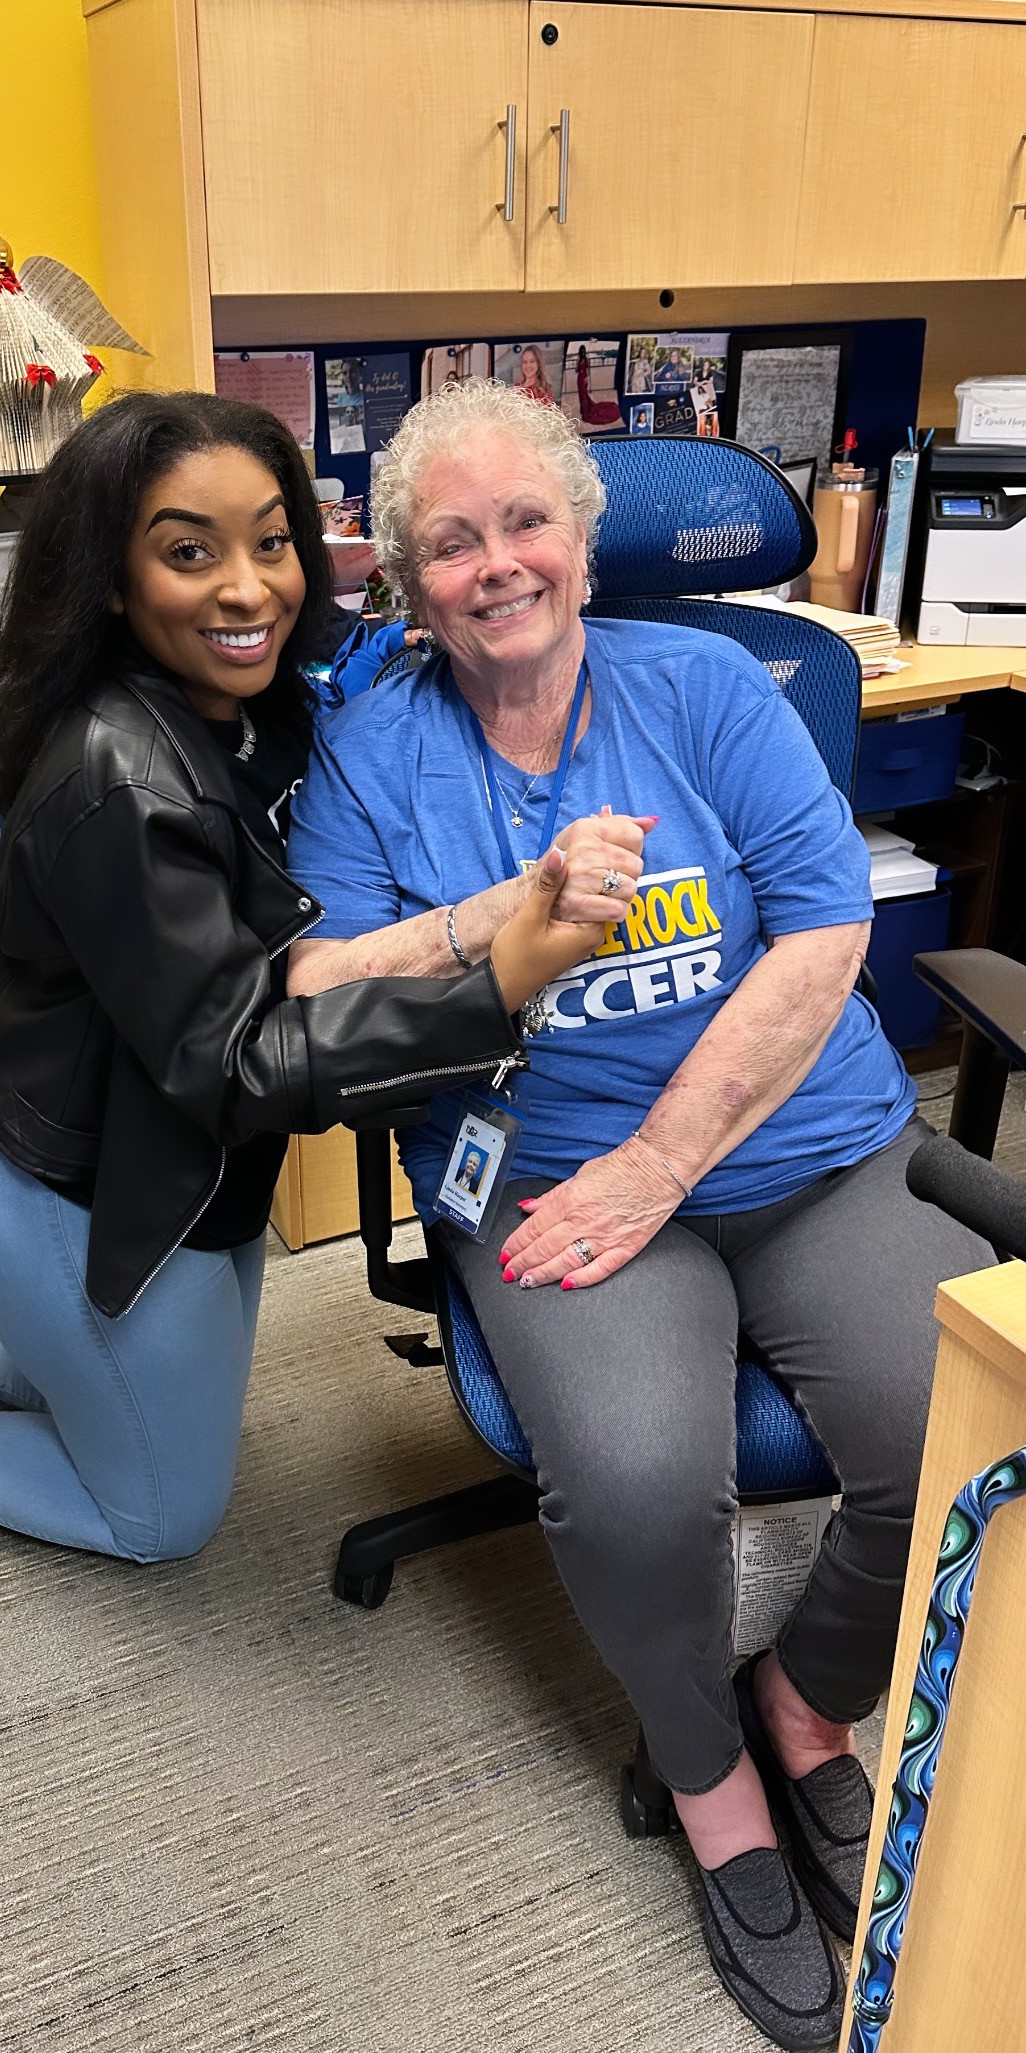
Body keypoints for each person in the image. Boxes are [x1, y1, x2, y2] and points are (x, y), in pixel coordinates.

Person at [285, 376, 993, 2049]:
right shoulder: (374, 747)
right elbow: (315, 986)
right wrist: (503, 911)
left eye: (527, 521)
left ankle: (804, 1702)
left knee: (959, 1423)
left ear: (585, 541)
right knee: (634, 1482)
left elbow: (825, 930)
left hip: (805, 1146)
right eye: (451, 542)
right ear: (408, 580)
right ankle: (708, 1777)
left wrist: (663, 1160)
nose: (497, 564)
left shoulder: (712, 686)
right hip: (539, 1171)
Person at [0, 391, 625, 1566]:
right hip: (52, 1162)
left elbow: (314, 767)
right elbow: (240, 1063)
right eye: (189, 553)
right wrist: (493, 980)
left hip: (159, 1132)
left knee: (105, 1379)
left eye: (272, 542)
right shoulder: (122, 778)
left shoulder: (253, 699)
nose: (249, 590)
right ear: (113, 578)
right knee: (159, 1510)